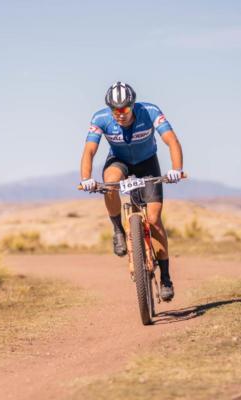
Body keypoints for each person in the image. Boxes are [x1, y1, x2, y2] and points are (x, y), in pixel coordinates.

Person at [79, 81, 183, 301]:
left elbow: (172, 141)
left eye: (125, 108)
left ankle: (165, 278)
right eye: (114, 110)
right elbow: (89, 151)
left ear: (133, 105)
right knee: (109, 184)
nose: (120, 114)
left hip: (147, 163)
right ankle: (118, 229)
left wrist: (176, 169)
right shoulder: (100, 118)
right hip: (119, 162)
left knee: (154, 220)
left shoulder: (150, 111)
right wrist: (86, 179)